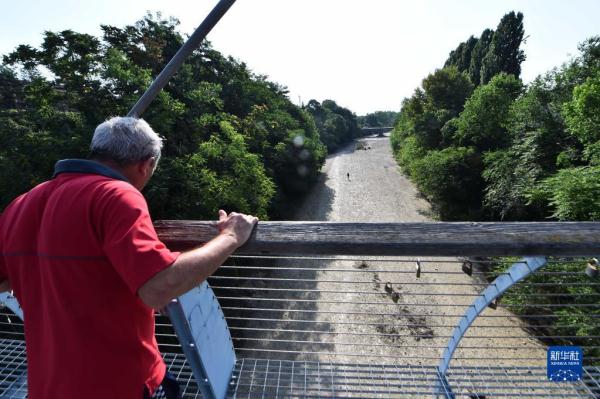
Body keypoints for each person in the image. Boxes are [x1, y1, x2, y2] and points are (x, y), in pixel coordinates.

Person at [0, 117, 258, 399]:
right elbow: (159, 286)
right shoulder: (116, 195)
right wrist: (232, 236)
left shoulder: (21, 204)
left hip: (47, 386)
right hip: (118, 383)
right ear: (145, 164)